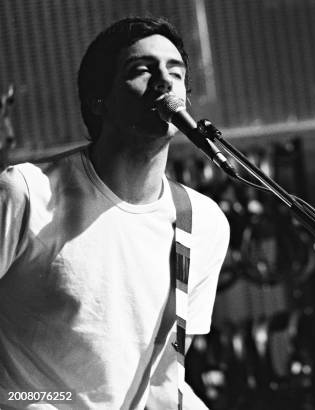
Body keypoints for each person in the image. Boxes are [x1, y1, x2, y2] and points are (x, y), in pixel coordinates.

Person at [0, 17, 229, 409]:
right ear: (98, 100)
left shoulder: (203, 223)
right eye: (142, 70)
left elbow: (162, 381)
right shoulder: (26, 192)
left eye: (176, 72)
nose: (164, 81)